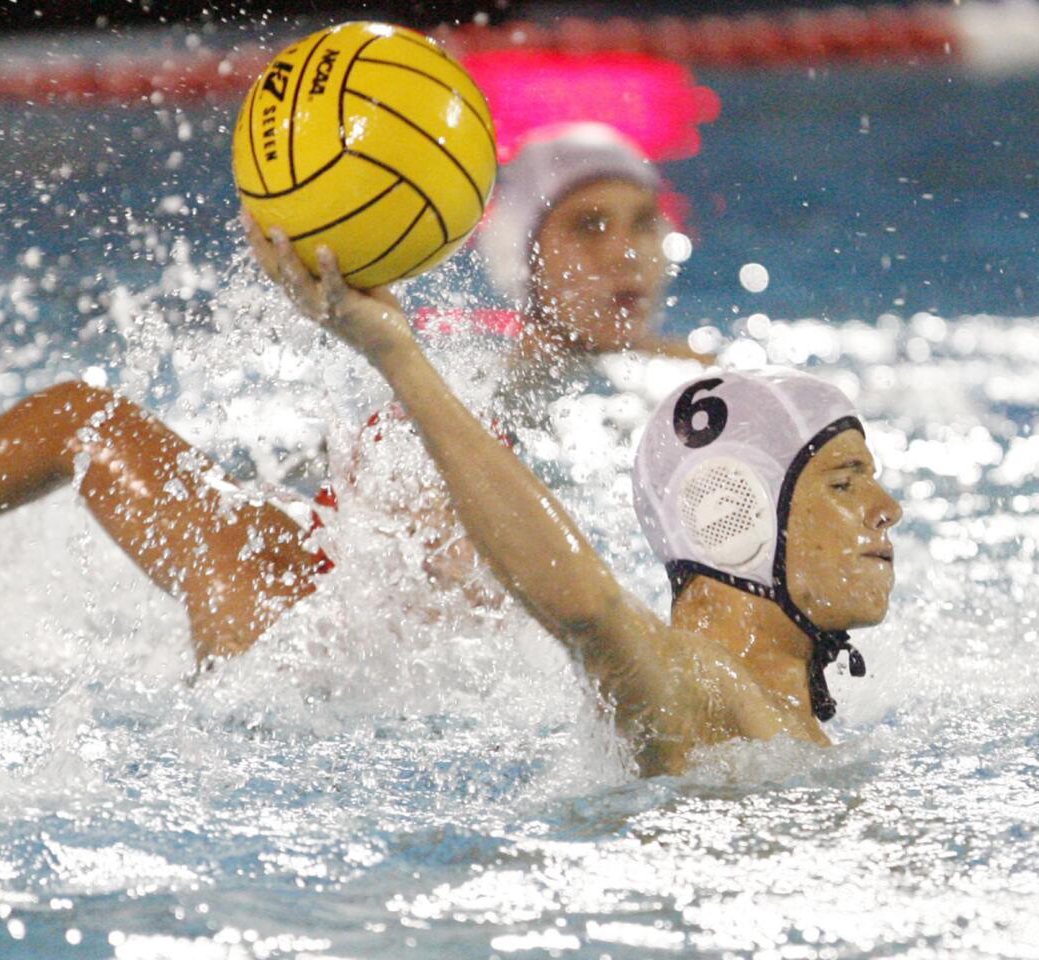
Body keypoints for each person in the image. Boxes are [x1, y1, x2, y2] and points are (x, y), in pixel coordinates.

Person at [0, 123, 699, 687]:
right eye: (589, 225)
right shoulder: (271, 594)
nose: (628, 254)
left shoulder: (686, 397)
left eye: (645, 223)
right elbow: (78, 418)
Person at [248, 224, 902, 775]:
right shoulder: (704, 698)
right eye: (844, 481)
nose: (887, 507)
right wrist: (398, 356)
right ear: (734, 512)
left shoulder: (782, 730)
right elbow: (590, 611)